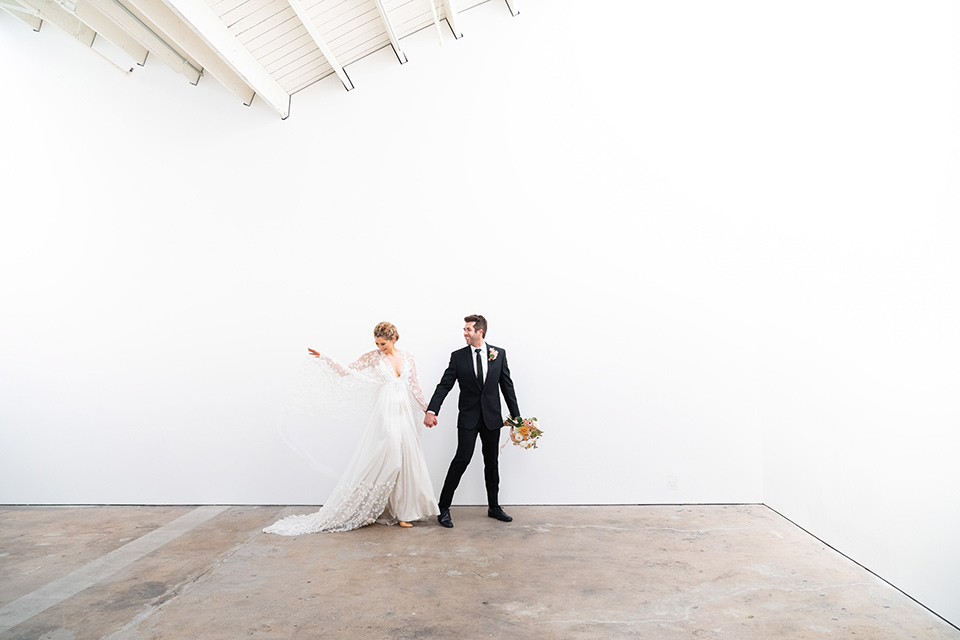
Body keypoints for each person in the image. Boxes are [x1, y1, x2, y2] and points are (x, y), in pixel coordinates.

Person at [264, 322, 438, 534]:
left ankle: (404, 513)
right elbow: (348, 372)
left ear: (393, 339)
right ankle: (366, 507)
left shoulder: (408, 357)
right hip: (385, 410)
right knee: (391, 456)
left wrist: (428, 410)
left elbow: (415, 386)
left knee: (407, 457)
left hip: (403, 412)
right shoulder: (373, 357)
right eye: (376, 343)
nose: (379, 347)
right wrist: (326, 359)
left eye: (383, 343)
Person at [424, 315, 520, 528]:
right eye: (464, 329)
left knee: (492, 463)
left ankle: (494, 507)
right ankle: (443, 507)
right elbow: (444, 385)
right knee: (462, 459)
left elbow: (507, 386)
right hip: (468, 418)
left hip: (492, 419)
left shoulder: (499, 354)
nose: (465, 333)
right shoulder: (458, 357)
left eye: (468, 329)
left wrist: (517, 417)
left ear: (480, 331)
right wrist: (432, 410)